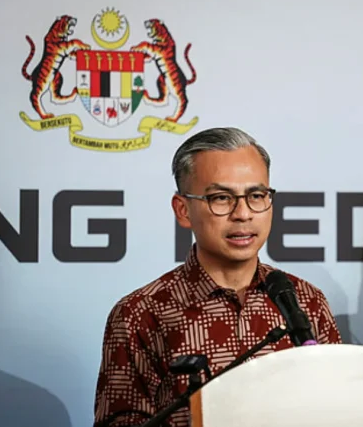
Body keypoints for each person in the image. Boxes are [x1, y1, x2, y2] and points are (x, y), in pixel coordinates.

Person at [93, 127, 342, 427]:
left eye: (256, 195)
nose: (243, 213)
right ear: (183, 210)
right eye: (222, 198)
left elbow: (339, 407)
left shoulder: (306, 301)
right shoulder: (140, 313)